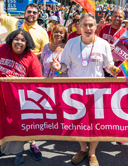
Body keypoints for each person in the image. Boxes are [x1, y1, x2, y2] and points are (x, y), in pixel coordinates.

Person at [50, 13, 120, 166]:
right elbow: (63, 66)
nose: (88, 28)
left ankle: (93, 153)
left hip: (97, 91)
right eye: (85, 25)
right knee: (78, 122)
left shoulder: (103, 44)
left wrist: (113, 70)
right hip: (75, 91)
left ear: (95, 27)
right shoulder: (71, 44)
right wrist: (57, 68)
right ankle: (83, 149)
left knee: (95, 124)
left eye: (91, 25)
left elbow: (108, 65)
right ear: (79, 27)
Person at [0, 29, 43, 164]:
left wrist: (18, 82)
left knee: (18, 126)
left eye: (23, 40)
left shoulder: (31, 58)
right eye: (16, 39)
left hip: (19, 99)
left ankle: (21, 151)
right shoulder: (0, 49)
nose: (19, 42)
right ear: (11, 39)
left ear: (27, 43)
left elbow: (37, 82)